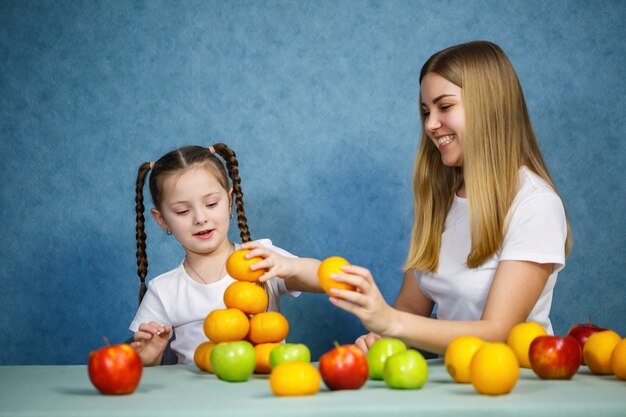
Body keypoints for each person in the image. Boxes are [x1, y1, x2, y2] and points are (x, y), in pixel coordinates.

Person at [327, 40, 572, 355]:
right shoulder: (440, 201)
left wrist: (391, 323)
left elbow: (498, 333)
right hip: (447, 382)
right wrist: (382, 337)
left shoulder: (535, 204)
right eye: (426, 111)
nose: (430, 124)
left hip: (508, 387)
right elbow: (410, 311)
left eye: (445, 106)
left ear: (489, 106)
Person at [130, 144, 322, 365]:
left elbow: (325, 279)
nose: (200, 218)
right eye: (183, 211)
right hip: (198, 397)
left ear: (230, 201)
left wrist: (290, 266)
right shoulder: (163, 290)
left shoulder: (259, 258)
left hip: (266, 391)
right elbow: (145, 368)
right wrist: (152, 356)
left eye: (211, 204)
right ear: (162, 219)